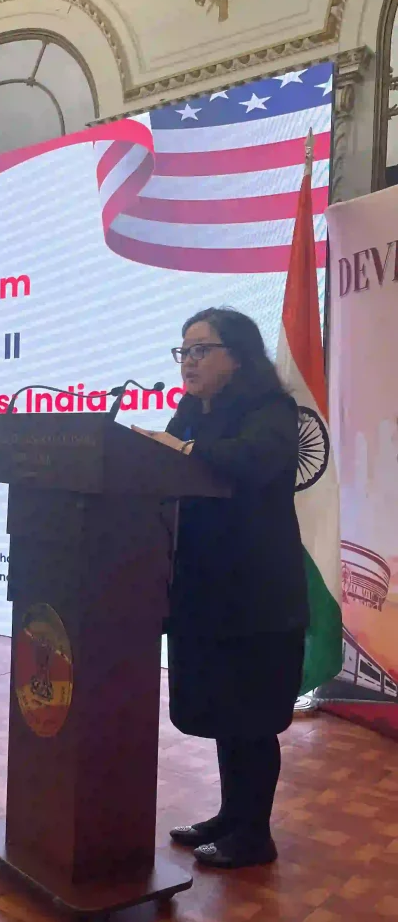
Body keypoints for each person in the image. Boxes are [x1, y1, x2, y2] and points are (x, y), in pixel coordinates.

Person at [134, 308, 308, 870]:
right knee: (225, 714)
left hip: (257, 596)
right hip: (204, 590)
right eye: (183, 350)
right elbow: (163, 467)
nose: (188, 362)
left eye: (200, 349)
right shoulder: (192, 410)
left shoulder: (272, 411)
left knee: (251, 719)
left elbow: (249, 462)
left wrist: (179, 449)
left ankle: (254, 835)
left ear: (238, 356)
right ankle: (231, 816)